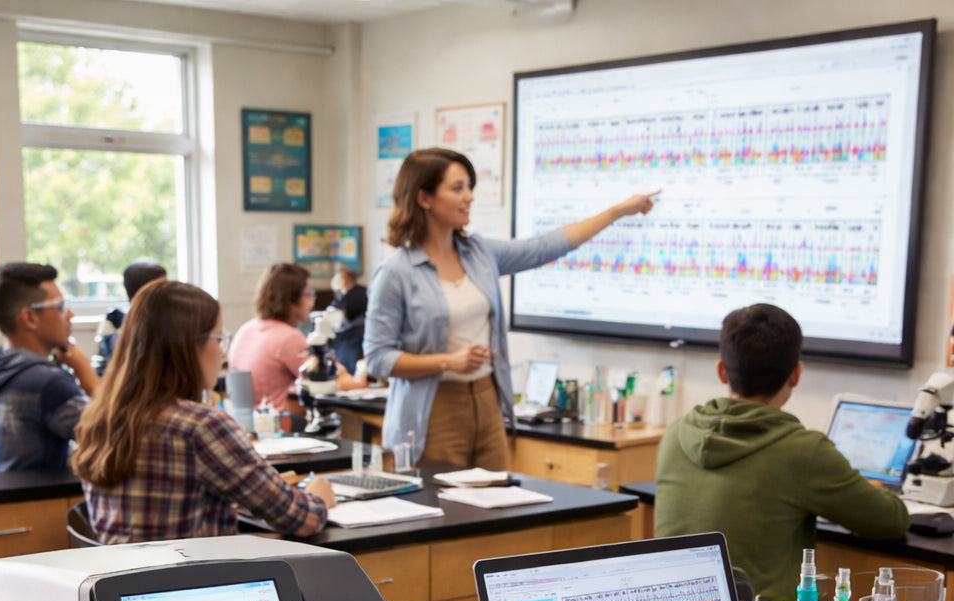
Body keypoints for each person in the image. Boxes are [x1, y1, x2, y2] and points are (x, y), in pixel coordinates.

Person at [363, 147, 658, 470]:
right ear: (424, 198)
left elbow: (546, 246)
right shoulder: (396, 272)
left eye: (470, 187)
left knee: (494, 505)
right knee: (441, 511)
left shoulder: (479, 253)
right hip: (433, 408)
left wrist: (617, 211)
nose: (470, 197)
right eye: (458, 188)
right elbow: (378, 359)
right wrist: (447, 361)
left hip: (488, 400)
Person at [654, 303, 910, 601]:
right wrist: (874, 490)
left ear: (722, 370)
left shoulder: (676, 434)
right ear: (796, 374)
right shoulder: (804, 452)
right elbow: (892, 520)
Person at [72, 278, 335, 543]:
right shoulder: (200, 426)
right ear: (187, 346)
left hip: (126, 579)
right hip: (194, 581)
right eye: (219, 339)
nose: (223, 354)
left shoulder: (99, 417)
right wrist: (316, 496)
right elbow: (301, 519)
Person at [0, 262, 99, 473]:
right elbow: (116, 438)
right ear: (29, 317)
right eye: (61, 307)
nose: (70, 315)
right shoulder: (48, 383)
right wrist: (86, 373)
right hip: (38, 504)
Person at [228, 263, 365, 415]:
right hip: (280, 423)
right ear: (291, 302)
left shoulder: (246, 329)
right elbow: (336, 380)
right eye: (308, 293)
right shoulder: (288, 337)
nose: (313, 300)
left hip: (249, 422)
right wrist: (363, 371)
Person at [95, 259, 167, 365]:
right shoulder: (118, 324)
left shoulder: (168, 321)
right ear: (141, 293)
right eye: (160, 289)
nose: (167, 294)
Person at [327, 265, 368, 374]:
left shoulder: (355, 294)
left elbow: (342, 315)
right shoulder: (346, 294)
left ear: (347, 279)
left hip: (354, 334)